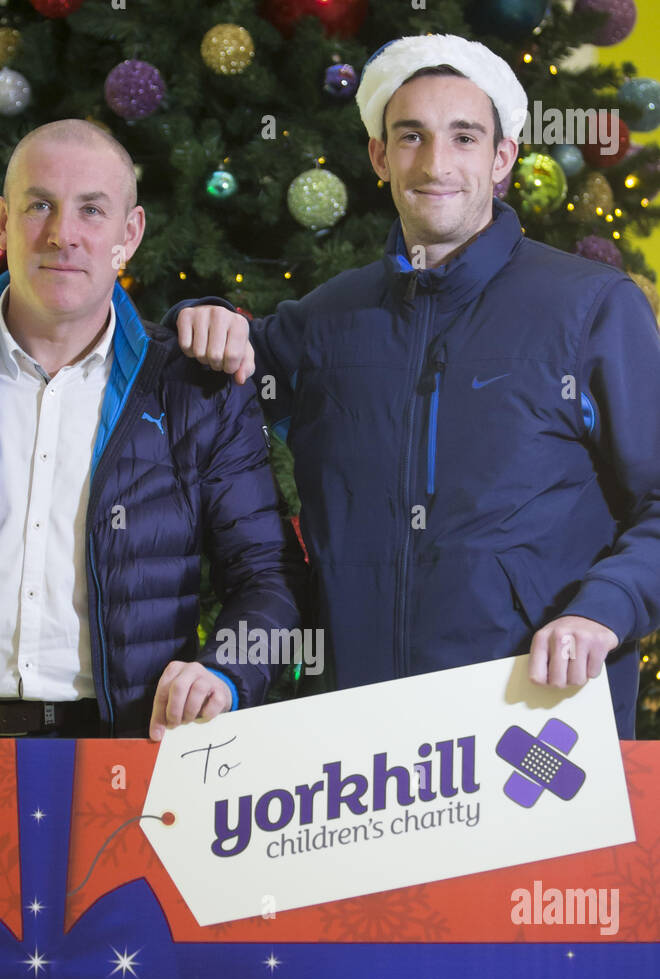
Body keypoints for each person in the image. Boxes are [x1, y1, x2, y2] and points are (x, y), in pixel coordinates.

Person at [175, 33, 660, 738]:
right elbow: (202, 363)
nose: (436, 164)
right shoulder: (327, 320)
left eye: (464, 137)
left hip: (535, 726)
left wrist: (604, 606)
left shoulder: (593, 306)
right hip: (363, 744)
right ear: (379, 156)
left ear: (502, 159)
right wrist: (197, 314)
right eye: (411, 136)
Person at [0, 119, 302, 739]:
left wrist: (228, 672)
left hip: (129, 752)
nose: (62, 235)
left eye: (92, 211)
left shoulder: (197, 390)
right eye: (39, 206)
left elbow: (270, 578)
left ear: (128, 235)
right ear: (1, 222)